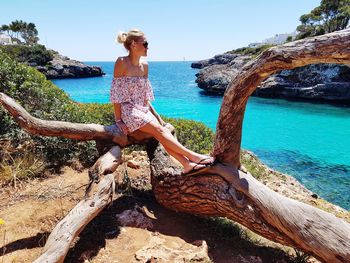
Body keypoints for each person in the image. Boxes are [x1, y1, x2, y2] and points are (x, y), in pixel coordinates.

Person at [111, 29, 214, 174]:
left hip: (142, 109)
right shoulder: (121, 62)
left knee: (162, 130)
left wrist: (157, 116)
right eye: (145, 43)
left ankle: (187, 165)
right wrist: (118, 119)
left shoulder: (145, 65)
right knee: (159, 130)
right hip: (128, 110)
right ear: (134, 44)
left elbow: (145, 96)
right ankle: (194, 157)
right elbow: (116, 93)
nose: (148, 47)